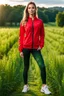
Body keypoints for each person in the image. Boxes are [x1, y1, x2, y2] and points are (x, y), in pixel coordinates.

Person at [18, 1, 51, 95]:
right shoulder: (23, 22)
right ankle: (26, 86)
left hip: (36, 48)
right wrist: (20, 49)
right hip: (26, 48)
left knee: (42, 66)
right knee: (26, 67)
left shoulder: (39, 21)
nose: (31, 9)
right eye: (29, 8)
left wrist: (41, 44)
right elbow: (20, 36)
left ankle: (44, 87)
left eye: (33, 7)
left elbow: (42, 34)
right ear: (27, 10)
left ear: (35, 9)